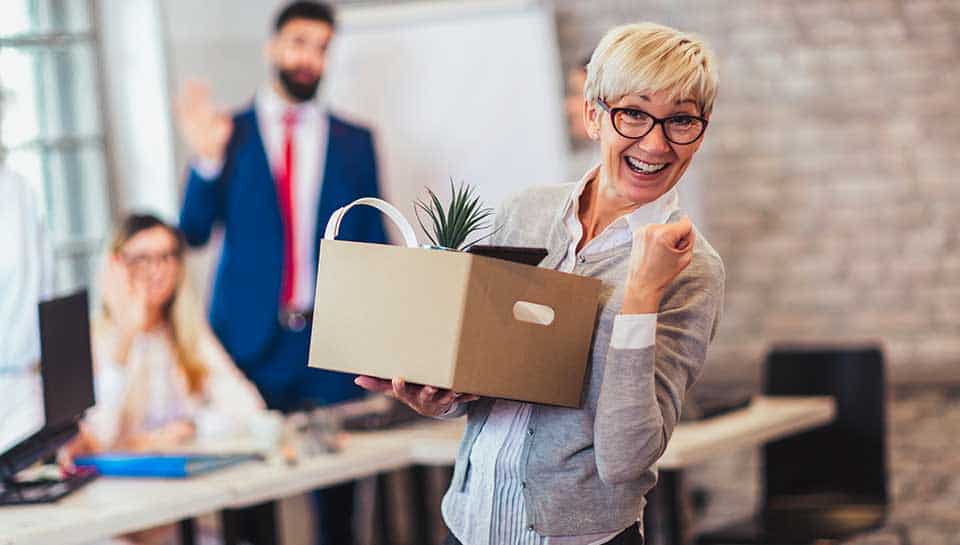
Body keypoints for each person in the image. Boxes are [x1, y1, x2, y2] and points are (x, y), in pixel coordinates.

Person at [357, 22, 724, 545]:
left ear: (701, 131)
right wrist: (442, 399)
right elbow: (485, 372)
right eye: (634, 113)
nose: (656, 142)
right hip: (469, 523)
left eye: (681, 120)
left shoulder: (693, 270)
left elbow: (625, 459)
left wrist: (641, 294)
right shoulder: (526, 212)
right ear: (595, 116)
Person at [176, 3, 386, 543]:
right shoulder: (230, 134)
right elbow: (193, 232)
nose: (308, 58)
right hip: (248, 346)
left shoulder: (354, 141)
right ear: (272, 47)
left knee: (339, 500)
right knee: (247, 496)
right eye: (298, 43)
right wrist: (206, 161)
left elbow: (374, 250)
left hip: (329, 344)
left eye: (320, 47)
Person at [68, 213, 265, 545]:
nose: (156, 270)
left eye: (166, 256)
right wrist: (126, 336)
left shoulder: (186, 334)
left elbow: (250, 407)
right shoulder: (92, 339)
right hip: (114, 521)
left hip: (177, 515)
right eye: (140, 259)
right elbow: (97, 438)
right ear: (115, 266)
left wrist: (189, 428)